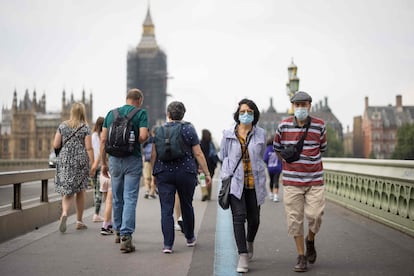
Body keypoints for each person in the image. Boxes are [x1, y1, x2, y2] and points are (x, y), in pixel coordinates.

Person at [273, 91, 327, 272]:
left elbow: (322, 148)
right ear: (293, 106)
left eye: (304, 105)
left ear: (310, 106)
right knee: (294, 220)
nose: (301, 108)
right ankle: (301, 256)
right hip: (292, 181)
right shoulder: (283, 126)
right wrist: (288, 163)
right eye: (297, 105)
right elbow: (277, 148)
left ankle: (310, 239)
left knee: (316, 216)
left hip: (314, 180)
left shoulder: (320, 125)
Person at [151, 101, 211, 254]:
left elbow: (154, 154)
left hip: (164, 173)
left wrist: (154, 174)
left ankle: (167, 245)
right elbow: (198, 153)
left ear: (168, 114)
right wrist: (206, 172)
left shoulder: (158, 130)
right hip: (186, 172)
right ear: (183, 114)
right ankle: (190, 238)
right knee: (186, 205)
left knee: (166, 209)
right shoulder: (188, 129)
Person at [219, 98, 267, 273]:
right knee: (239, 218)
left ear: (254, 115)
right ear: (237, 114)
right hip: (235, 183)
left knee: (254, 220)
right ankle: (243, 255)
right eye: (242, 112)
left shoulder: (261, 133)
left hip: (255, 183)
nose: (245, 115)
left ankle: (250, 242)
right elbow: (223, 155)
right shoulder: (228, 134)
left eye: (249, 112)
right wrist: (226, 173)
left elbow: (260, 155)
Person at [100, 88, 149, 253]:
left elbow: (103, 140)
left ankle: (118, 231)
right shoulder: (141, 114)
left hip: (113, 160)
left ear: (126, 98)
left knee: (117, 197)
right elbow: (142, 137)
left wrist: (103, 163)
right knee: (130, 197)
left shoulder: (111, 114)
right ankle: (126, 238)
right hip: (132, 159)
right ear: (139, 100)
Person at [53, 102, 94, 233]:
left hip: (65, 160)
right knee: (80, 190)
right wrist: (93, 163)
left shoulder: (63, 125)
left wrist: (61, 155)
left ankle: (64, 213)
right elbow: (88, 147)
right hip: (80, 160)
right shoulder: (85, 127)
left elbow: (56, 144)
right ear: (83, 112)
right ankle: (79, 221)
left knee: (67, 189)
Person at [90, 117, 105, 223]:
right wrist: (95, 165)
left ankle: (96, 213)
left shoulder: (93, 136)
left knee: (95, 190)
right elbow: (99, 152)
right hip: (98, 166)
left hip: (93, 166)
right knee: (99, 190)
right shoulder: (98, 136)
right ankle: (96, 214)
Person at [200, 129, 219, 201]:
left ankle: (204, 193)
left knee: (202, 179)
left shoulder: (200, 143)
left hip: (202, 164)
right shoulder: (211, 143)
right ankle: (209, 196)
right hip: (211, 164)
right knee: (209, 179)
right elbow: (214, 154)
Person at [263, 137, 282, 202]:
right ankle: (276, 196)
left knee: (271, 180)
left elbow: (265, 158)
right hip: (278, 168)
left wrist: (268, 163)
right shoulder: (278, 148)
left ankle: (271, 194)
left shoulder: (268, 149)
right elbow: (281, 157)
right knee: (276, 180)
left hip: (270, 168)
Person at [142, 127, 157, 199]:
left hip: (146, 160)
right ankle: (152, 192)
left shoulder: (146, 140)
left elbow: (143, 150)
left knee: (146, 177)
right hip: (155, 160)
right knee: (154, 177)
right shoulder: (157, 140)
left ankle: (147, 190)